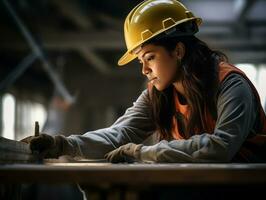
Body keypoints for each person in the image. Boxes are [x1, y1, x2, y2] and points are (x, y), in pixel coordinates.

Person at [23, 0, 266, 163]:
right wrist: (63, 144)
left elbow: (221, 147)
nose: (144, 69)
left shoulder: (231, 85)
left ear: (178, 51)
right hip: (199, 185)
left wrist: (142, 152)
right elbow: (119, 134)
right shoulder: (158, 93)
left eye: (150, 57)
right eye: (140, 60)